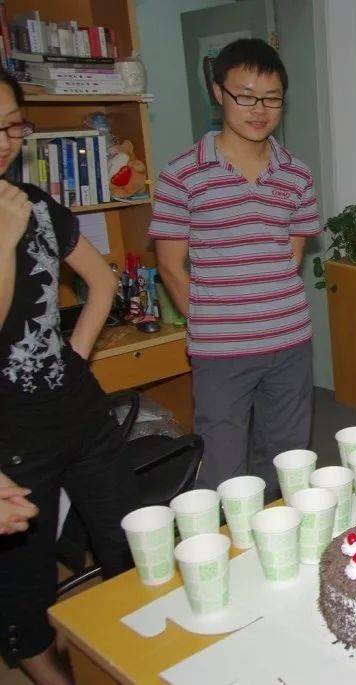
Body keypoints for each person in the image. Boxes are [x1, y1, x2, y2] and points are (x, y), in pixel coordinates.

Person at [0, 71, 138, 685]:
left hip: (81, 417)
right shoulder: (11, 219)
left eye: (12, 125)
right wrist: (5, 243)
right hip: (12, 437)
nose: (5, 139)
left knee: (131, 548)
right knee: (24, 595)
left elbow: (102, 281)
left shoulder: (33, 203)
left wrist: (75, 354)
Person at [151, 38, 321, 498]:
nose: (258, 109)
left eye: (271, 99)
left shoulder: (297, 175)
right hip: (220, 350)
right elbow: (169, 266)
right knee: (223, 467)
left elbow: (292, 255)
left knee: (287, 461)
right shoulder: (182, 174)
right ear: (217, 92)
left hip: (289, 343)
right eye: (245, 96)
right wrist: (211, 323)